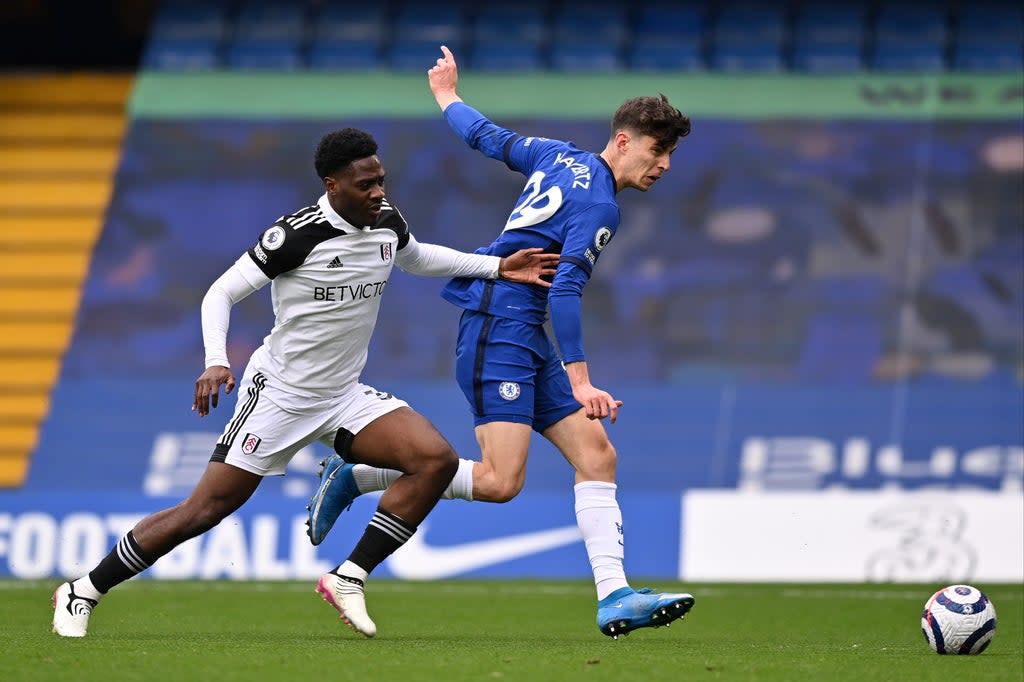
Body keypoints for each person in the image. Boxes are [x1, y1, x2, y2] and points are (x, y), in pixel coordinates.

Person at [51, 127, 559, 639]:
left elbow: (418, 257)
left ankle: (350, 576)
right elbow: (220, 293)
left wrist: (497, 267)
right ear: (332, 184)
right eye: (365, 184)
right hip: (280, 395)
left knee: (434, 460)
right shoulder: (295, 236)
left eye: (380, 180)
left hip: (343, 395)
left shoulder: (385, 221)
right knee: (205, 510)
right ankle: (84, 590)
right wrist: (215, 360)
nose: (378, 192)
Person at [307, 46, 695, 639]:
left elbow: (488, 138)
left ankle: (614, 595)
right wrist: (581, 379)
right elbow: (566, 290)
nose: (664, 164)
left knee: (597, 457)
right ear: (622, 140)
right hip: (500, 329)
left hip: (521, 332)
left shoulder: (559, 155)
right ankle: (359, 478)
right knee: (499, 482)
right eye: (657, 149)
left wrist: (446, 96)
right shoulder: (599, 205)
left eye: (670, 153)